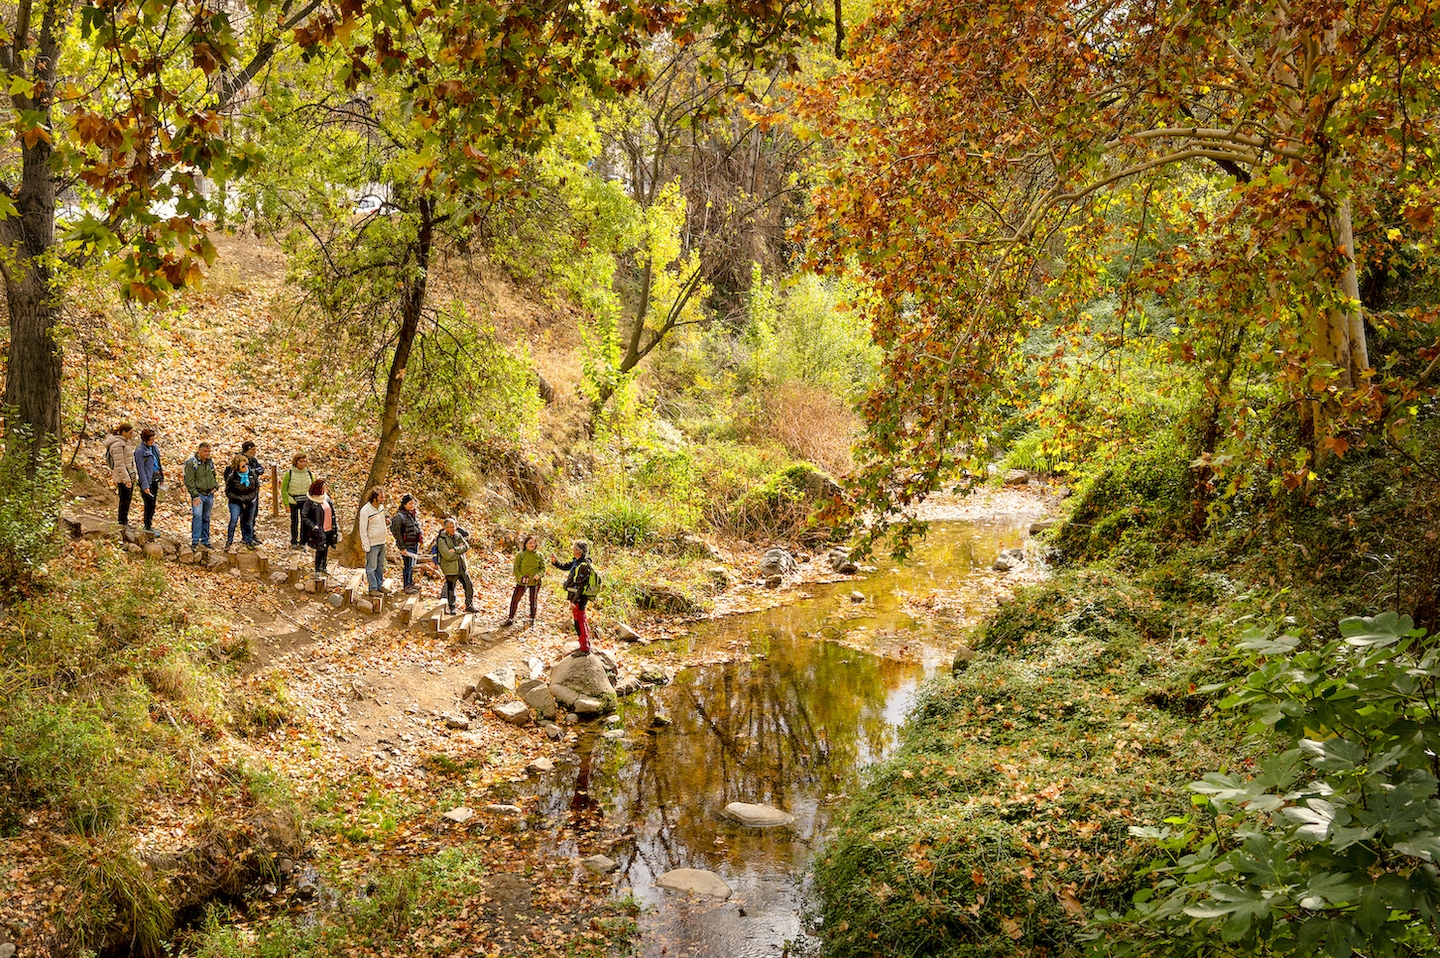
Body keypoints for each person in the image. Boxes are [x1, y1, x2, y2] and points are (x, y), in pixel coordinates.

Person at [551, 540, 599, 655]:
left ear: (579, 551)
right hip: (574, 597)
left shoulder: (583, 566)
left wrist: (574, 601)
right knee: (580, 620)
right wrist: (555, 562)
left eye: (575, 548)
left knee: (580, 621)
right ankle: (584, 644)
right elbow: (565, 566)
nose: (573, 550)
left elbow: (581, 586)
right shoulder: (576, 562)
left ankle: (584, 647)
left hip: (579, 598)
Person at [435, 517, 479, 615]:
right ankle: (452, 607)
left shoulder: (458, 535)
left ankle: (469, 605)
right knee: (451, 588)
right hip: (450, 568)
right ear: (445, 528)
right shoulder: (442, 539)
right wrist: (459, 551)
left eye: (454, 526)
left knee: (468, 586)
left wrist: (455, 549)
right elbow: (446, 555)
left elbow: (466, 546)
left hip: (461, 566)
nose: (453, 529)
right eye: (451, 527)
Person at [300, 479, 340, 578]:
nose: (325, 489)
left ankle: (324, 566)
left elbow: (332, 512)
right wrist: (313, 526)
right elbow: (304, 515)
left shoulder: (326, 498)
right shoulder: (311, 501)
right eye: (323, 487)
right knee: (320, 548)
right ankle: (317, 569)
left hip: (329, 527)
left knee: (326, 548)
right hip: (319, 529)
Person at [183, 442, 219, 549]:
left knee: (206, 517)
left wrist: (215, 486)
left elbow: (213, 475)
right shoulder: (192, 463)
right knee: (197, 515)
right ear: (199, 451)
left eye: (208, 451)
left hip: (209, 494)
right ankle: (195, 540)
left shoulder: (209, 462)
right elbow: (189, 481)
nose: (207, 453)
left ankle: (205, 540)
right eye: (205, 451)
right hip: (198, 494)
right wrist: (194, 495)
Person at [504, 534, 544, 626]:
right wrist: (521, 577)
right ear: (526, 544)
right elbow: (516, 569)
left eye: (534, 543)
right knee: (515, 599)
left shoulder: (539, 555)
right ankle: (511, 618)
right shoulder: (521, 555)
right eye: (530, 543)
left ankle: (532, 619)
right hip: (522, 582)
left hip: (535, 582)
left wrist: (539, 575)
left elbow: (543, 568)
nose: (532, 545)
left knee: (533, 600)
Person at [223, 453, 259, 550]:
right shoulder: (232, 477)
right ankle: (229, 541)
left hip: (250, 501)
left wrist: (249, 498)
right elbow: (228, 492)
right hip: (236, 502)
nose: (246, 467)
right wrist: (239, 499)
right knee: (234, 519)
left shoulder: (252, 474)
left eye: (247, 465)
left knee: (248, 521)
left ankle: (249, 540)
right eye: (243, 466)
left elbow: (256, 488)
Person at [358, 487, 390, 596]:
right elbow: (362, 529)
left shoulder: (381, 507)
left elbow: (381, 522)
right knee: (371, 567)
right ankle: (373, 588)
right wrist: (365, 544)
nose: (383, 499)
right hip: (372, 543)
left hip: (381, 541)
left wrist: (386, 523)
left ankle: (379, 584)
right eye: (381, 497)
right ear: (374, 497)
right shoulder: (365, 510)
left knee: (380, 566)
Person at [105, 423, 138, 528]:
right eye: (130, 433)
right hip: (123, 477)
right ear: (123, 432)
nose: (132, 435)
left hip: (129, 476)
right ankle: (122, 522)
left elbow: (130, 461)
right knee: (124, 501)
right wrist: (126, 480)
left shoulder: (125, 443)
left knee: (127, 500)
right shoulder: (118, 444)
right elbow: (119, 464)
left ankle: (125, 521)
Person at [390, 494, 423, 594]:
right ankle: (406, 585)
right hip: (406, 545)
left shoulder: (412, 515)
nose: (412, 505)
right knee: (407, 565)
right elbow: (396, 532)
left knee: (412, 565)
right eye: (410, 503)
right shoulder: (400, 517)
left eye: (413, 503)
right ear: (404, 504)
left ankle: (410, 582)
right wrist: (402, 547)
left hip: (414, 544)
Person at [133, 428, 164, 536]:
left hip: (155, 478)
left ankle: (149, 525)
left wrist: (161, 477)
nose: (153, 441)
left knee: (153, 503)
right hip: (146, 480)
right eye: (151, 439)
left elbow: (158, 463)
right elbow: (140, 469)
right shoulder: (140, 451)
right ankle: (147, 526)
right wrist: (145, 485)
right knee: (148, 504)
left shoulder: (154, 448)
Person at [281, 454, 315, 549]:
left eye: (304, 461)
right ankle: (294, 541)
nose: (303, 463)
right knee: (294, 521)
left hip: (306, 501)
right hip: (293, 500)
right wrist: (286, 504)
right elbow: (284, 489)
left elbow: (313, 487)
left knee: (305, 522)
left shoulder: (309, 473)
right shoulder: (289, 474)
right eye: (300, 461)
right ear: (296, 462)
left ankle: (303, 542)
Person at [241, 441, 265, 545]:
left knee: (253, 513)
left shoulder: (253, 460)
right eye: (252, 450)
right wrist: (253, 472)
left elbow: (261, 469)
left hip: (254, 490)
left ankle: (251, 534)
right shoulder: (241, 460)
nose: (254, 452)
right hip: (244, 491)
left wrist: (253, 472)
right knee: (246, 514)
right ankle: (246, 536)